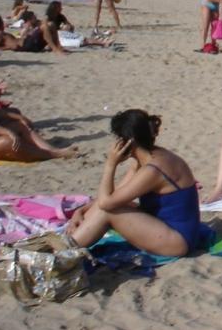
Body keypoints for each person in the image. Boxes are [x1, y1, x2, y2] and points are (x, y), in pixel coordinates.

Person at [66, 109, 200, 256]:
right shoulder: (149, 158)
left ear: (128, 141)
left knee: (108, 211)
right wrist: (81, 211)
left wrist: (110, 165)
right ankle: (69, 243)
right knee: (113, 205)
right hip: (163, 227)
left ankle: (65, 250)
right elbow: (115, 195)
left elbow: (106, 203)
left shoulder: (153, 169)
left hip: (178, 241)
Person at [0, 90, 78, 161]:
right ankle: (53, 155)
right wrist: (6, 131)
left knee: (21, 125)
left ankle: (52, 150)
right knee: (8, 141)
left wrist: (18, 117)